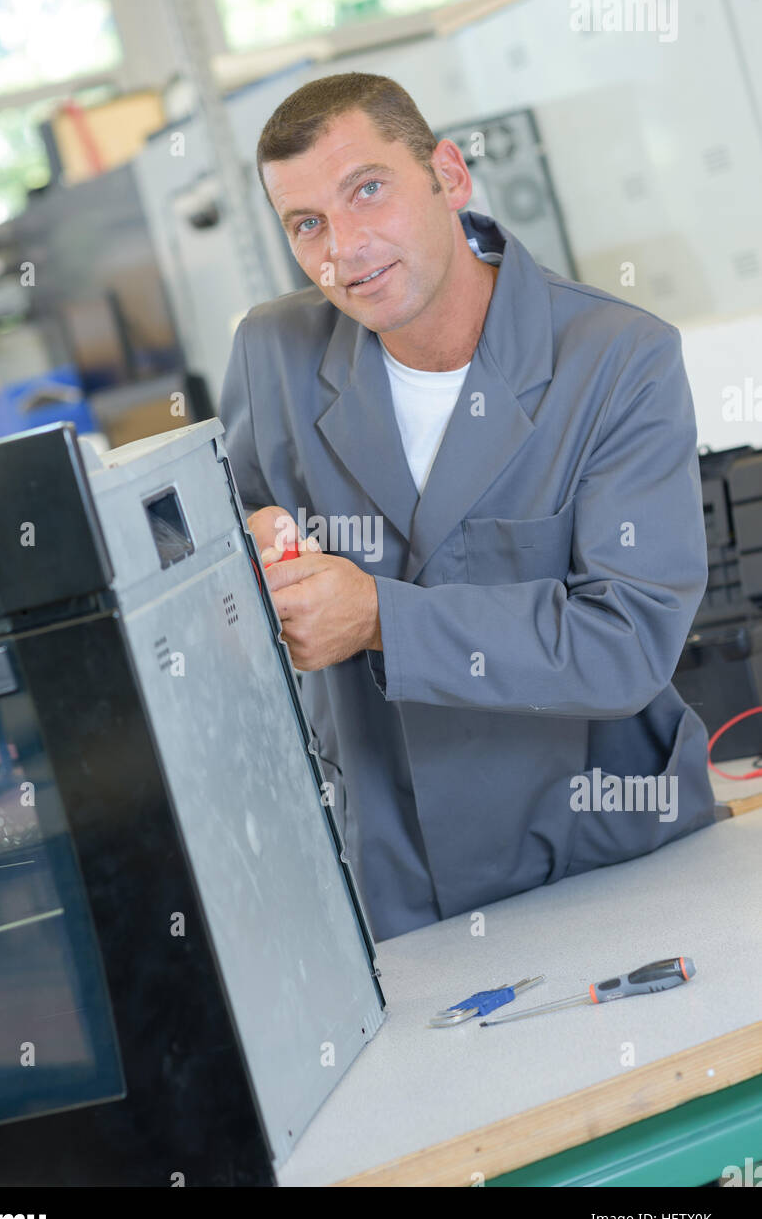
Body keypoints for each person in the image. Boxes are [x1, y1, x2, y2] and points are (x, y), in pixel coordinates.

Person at [219, 71, 717, 944]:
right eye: (307, 224)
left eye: (366, 190)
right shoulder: (273, 352)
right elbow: (213, 553)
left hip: (601, 854)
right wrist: (248, 551)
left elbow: (625, 642)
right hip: (392, 873)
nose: (344, 246)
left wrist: (377, 617)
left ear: (448, 176)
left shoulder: (617, 360)